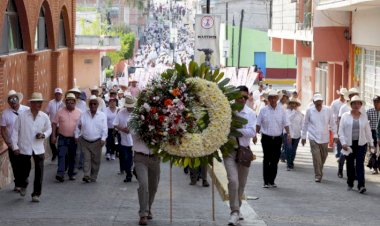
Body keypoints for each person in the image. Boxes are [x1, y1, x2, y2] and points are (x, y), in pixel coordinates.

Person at [224, 86, 256, 226]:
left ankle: (238, 207)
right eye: (240, 96)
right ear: (234, 96)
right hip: (229, 151)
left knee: (241, 185)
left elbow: (252, 132)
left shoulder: (250, 113)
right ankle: (234, 211)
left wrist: (234, 128)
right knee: (233, 181)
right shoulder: (226, 111)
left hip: (244, 152)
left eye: (245, 97)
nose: (242, 99)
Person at [11, 92, 52, 202]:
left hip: (38, 148)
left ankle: (36, 194)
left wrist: (44, 135)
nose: (40, 104)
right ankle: (24, 184)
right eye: (37, 102)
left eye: (41, 102)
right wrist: (14, 146)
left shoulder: (44, 116)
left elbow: (49, 129)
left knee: (39, 171)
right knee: (24, 171)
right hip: (24, 148)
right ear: (32, 103)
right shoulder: (22, 116)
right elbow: (15, 131)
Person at [339, 96, 374, 193]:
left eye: (358, 103)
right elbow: (340, 130)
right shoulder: (345, 116)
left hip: (361, 144)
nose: (356, 105)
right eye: (354, 103)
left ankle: (361, 185)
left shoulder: (364, 116)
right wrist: (343, 143)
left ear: (361, 105)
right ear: (351, 105)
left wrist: (371, 143)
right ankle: (350, 182)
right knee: (350, 164)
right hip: (349, 144)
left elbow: (368, 131)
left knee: (359, 164)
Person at [257, 89, 290, 188]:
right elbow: (258, 123)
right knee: (267, 159)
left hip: (277, 139)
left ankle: (272, 180)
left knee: (275, 160)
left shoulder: (282, 110)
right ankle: (266, 181)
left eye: (275, 98)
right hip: (266, 138)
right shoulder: (263, 110)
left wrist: (289, 134)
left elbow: (286, 123)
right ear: (268, 99)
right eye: (271, 98)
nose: (273, 100)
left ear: (277, 99)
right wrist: (254, 135)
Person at [302, 94, 337, 182]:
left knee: (324, 156)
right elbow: (305, 123)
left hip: (324, 137)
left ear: (322, 102)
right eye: (317, 102)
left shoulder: (328, 110)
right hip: (313, 136)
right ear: (313, 102)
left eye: (320, 101)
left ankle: (319, 169)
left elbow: (332, 123)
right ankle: (318, 175)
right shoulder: (309, 110)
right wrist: (303, 137)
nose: (318, 103)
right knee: (316, 156)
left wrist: (335, 135)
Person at [1, 90, 29, 192]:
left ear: (18, 99)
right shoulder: (5, 113)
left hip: (25, 142)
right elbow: (3, 129)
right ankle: (18, 184)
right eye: (10, 99)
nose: (13, 101)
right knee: (15, 164)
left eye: (14, 99)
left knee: (25, 163)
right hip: (12, 144)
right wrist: (7, 142)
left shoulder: (27, 110)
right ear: (8, 102)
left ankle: (24, 180)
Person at [75, 95, 108, 183]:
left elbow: (105, 128)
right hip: (85, 141)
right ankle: (86, 175)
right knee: (86, 159)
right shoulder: (83, 114)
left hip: (97, 142)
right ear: (88, 105)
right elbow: (78, 126)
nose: (93, 105)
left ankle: (93, 176)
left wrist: (103, 138)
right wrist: (76, 135)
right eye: (91, 104)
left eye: (94, 104)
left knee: (96, 161)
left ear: (97, 105)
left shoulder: (102, 116)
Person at [52, 93, 82, 182]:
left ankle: (71, 174)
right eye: (68, 102)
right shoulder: (60, 111)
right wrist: (53, 136)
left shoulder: (79, 112)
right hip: (62, 137)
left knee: (72, 156)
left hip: (74, 138)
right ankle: (60, 174)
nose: (70, 104)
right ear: (65, 102)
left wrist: (80, 135)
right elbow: (54, 123)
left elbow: (82, 125)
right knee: (61, 155)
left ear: (75, 103)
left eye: (72, 102)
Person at [132, 133, 160, 225]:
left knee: (153, 186)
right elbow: (133, 132)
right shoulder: (134, 119)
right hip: (140, 157)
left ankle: (148, 208)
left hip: (155, 157)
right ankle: (143, 214)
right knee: (144, 184)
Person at [113, 95, 135, 182]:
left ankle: (135, 172)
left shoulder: (137, 113)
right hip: (124, 139)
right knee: (126, 158)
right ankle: (128, 174)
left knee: (137, 159)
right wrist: (122, 129)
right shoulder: (121, 112)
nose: (130, 108)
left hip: (135, 140)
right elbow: (115, 124)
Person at [330, 88, 347, 177]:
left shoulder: (347, 105)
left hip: (347, 129)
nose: (342, 96)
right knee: (339, 142)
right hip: (337, 125)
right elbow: (331, 113)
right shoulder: (335, 103)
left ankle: (340, 155)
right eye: (341, 94)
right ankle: (339, 155)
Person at [45, 88, 64, 161]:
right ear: (54, 95)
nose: (58, 95)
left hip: (61, 126)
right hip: (52, 125)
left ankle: (60, 154)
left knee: (61, 141)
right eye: (56, 94)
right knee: (51, 141)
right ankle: (55, 152)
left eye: (59, 94)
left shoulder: (64, 103)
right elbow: (46, 112)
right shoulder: (51, 103)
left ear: (61, 95)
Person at [285, 98, 304, 171]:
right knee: (288, 148)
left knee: (293, 150)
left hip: (297, 134)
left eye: (295, 104)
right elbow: (287, 121)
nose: (293, 105)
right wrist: (293, 112)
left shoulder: (300, 114)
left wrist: (303, 135)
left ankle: (291, 162)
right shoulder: (286, 112)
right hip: (288, 133)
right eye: (291, 103)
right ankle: (289, 164)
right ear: (289, 105)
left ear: (296, 105)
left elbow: (302, 124)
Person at [366, 95, 380, 174]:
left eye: (377, 102)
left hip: (379, 133)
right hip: (372, 132)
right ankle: (375, 168)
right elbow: (365, 122)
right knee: (373, 150)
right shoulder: (369, 111)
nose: (376, 103)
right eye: (374, 102)